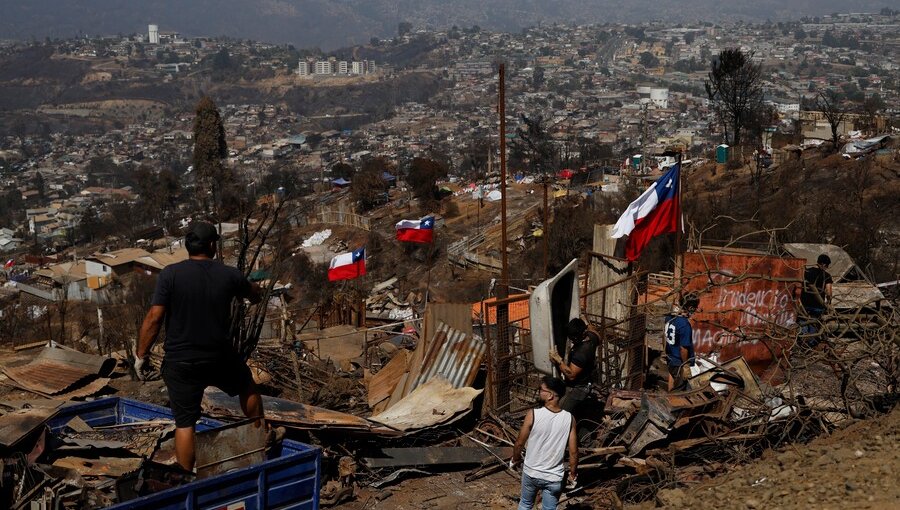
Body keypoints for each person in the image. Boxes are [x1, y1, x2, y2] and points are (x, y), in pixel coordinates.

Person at [135, 221, 264, 471]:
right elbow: (253, 293)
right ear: (213, 245)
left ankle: (187, 478)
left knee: (185, 422)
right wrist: (253, 295)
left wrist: (141, 354)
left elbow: (154, 318)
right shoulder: (228, 274)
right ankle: (260, 435)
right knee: (246, 386)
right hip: (220, 356)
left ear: (187, 246)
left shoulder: (170, 275)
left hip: (181, 362)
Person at [512, 376, 578, 510]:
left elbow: (519, 443)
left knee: (525, 504)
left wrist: (515, 459)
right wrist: (573, 473)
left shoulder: (533, 414)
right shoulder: (569, 419)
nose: (539, 392)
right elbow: (573, 451)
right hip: (553, 477)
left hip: (531, 472)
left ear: (550, 396)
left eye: (542, 390)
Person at [549, 318, 598, 414]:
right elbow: (596, 333)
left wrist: (558, 360)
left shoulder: (581, 353)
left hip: (577, 389)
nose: (571, 341)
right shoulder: (592, 337)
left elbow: (571, 375)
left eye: (572, 338)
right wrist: (586, 323)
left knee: (559, 412)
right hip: (586, 382)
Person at [664, 293, 699, 391]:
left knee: (672, 377)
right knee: (680, 390)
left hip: (670, 357)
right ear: (691, 307)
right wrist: (685, 365)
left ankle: (669, 396)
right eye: (695, 308)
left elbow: (665, 336)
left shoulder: (669, 318)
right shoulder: (685, 325)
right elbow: (683, 348)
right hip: (679, 361)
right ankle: (673, 404)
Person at [797, 253, 833, 346]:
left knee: (803, 324)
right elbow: (829, 292)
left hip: (804, 304)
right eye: (827, 266)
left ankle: (801, 344)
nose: (826, 268)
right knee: (814, 325)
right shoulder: (827, 276)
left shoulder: (806, 272)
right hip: (818, 306)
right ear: (824, 264)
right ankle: (810, 345)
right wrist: (828, 304)